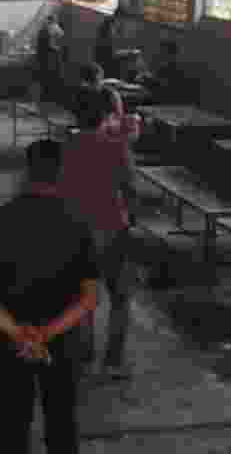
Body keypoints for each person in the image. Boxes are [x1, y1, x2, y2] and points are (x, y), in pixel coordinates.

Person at [0, 141, 99, 454]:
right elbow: (89, 298)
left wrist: (19, 333)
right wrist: (46, 334)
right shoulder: (79, 224)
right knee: (62, 424)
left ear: (26, 173)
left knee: (12, 424)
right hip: (63, 343)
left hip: (9, 343)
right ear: (61, 174)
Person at [58, 87, 137, 379]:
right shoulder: (116, 146)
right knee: (120, 296)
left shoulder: (67, 144)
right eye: (116, 110)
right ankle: (113, 362)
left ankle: (85, 355)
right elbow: (130, 186)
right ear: (107, 115)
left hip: (76, 230)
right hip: (112, 228)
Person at [144, 40, 197, 105]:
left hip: (168, 104)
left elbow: (161, 90)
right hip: (165, 102)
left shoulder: (172, 70)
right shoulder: (164, 68)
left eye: (162, 53)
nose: (159, 55)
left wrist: (149, 80)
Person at [33, 17, 66, 108]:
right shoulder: (51, 28)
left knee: (47, 79)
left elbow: (60, 37)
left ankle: (48, 99)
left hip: (46, 59)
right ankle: (52, 99)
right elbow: (61, 37)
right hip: (50, 58)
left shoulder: (46, 29)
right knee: (52, 79)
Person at [93, 8, 123, 81]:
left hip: (105, 65)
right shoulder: (107, 29)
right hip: (106, 66)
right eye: (120, 20)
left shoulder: (108, 27)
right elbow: (110, 53)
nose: (121, 23)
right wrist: (129, 53)